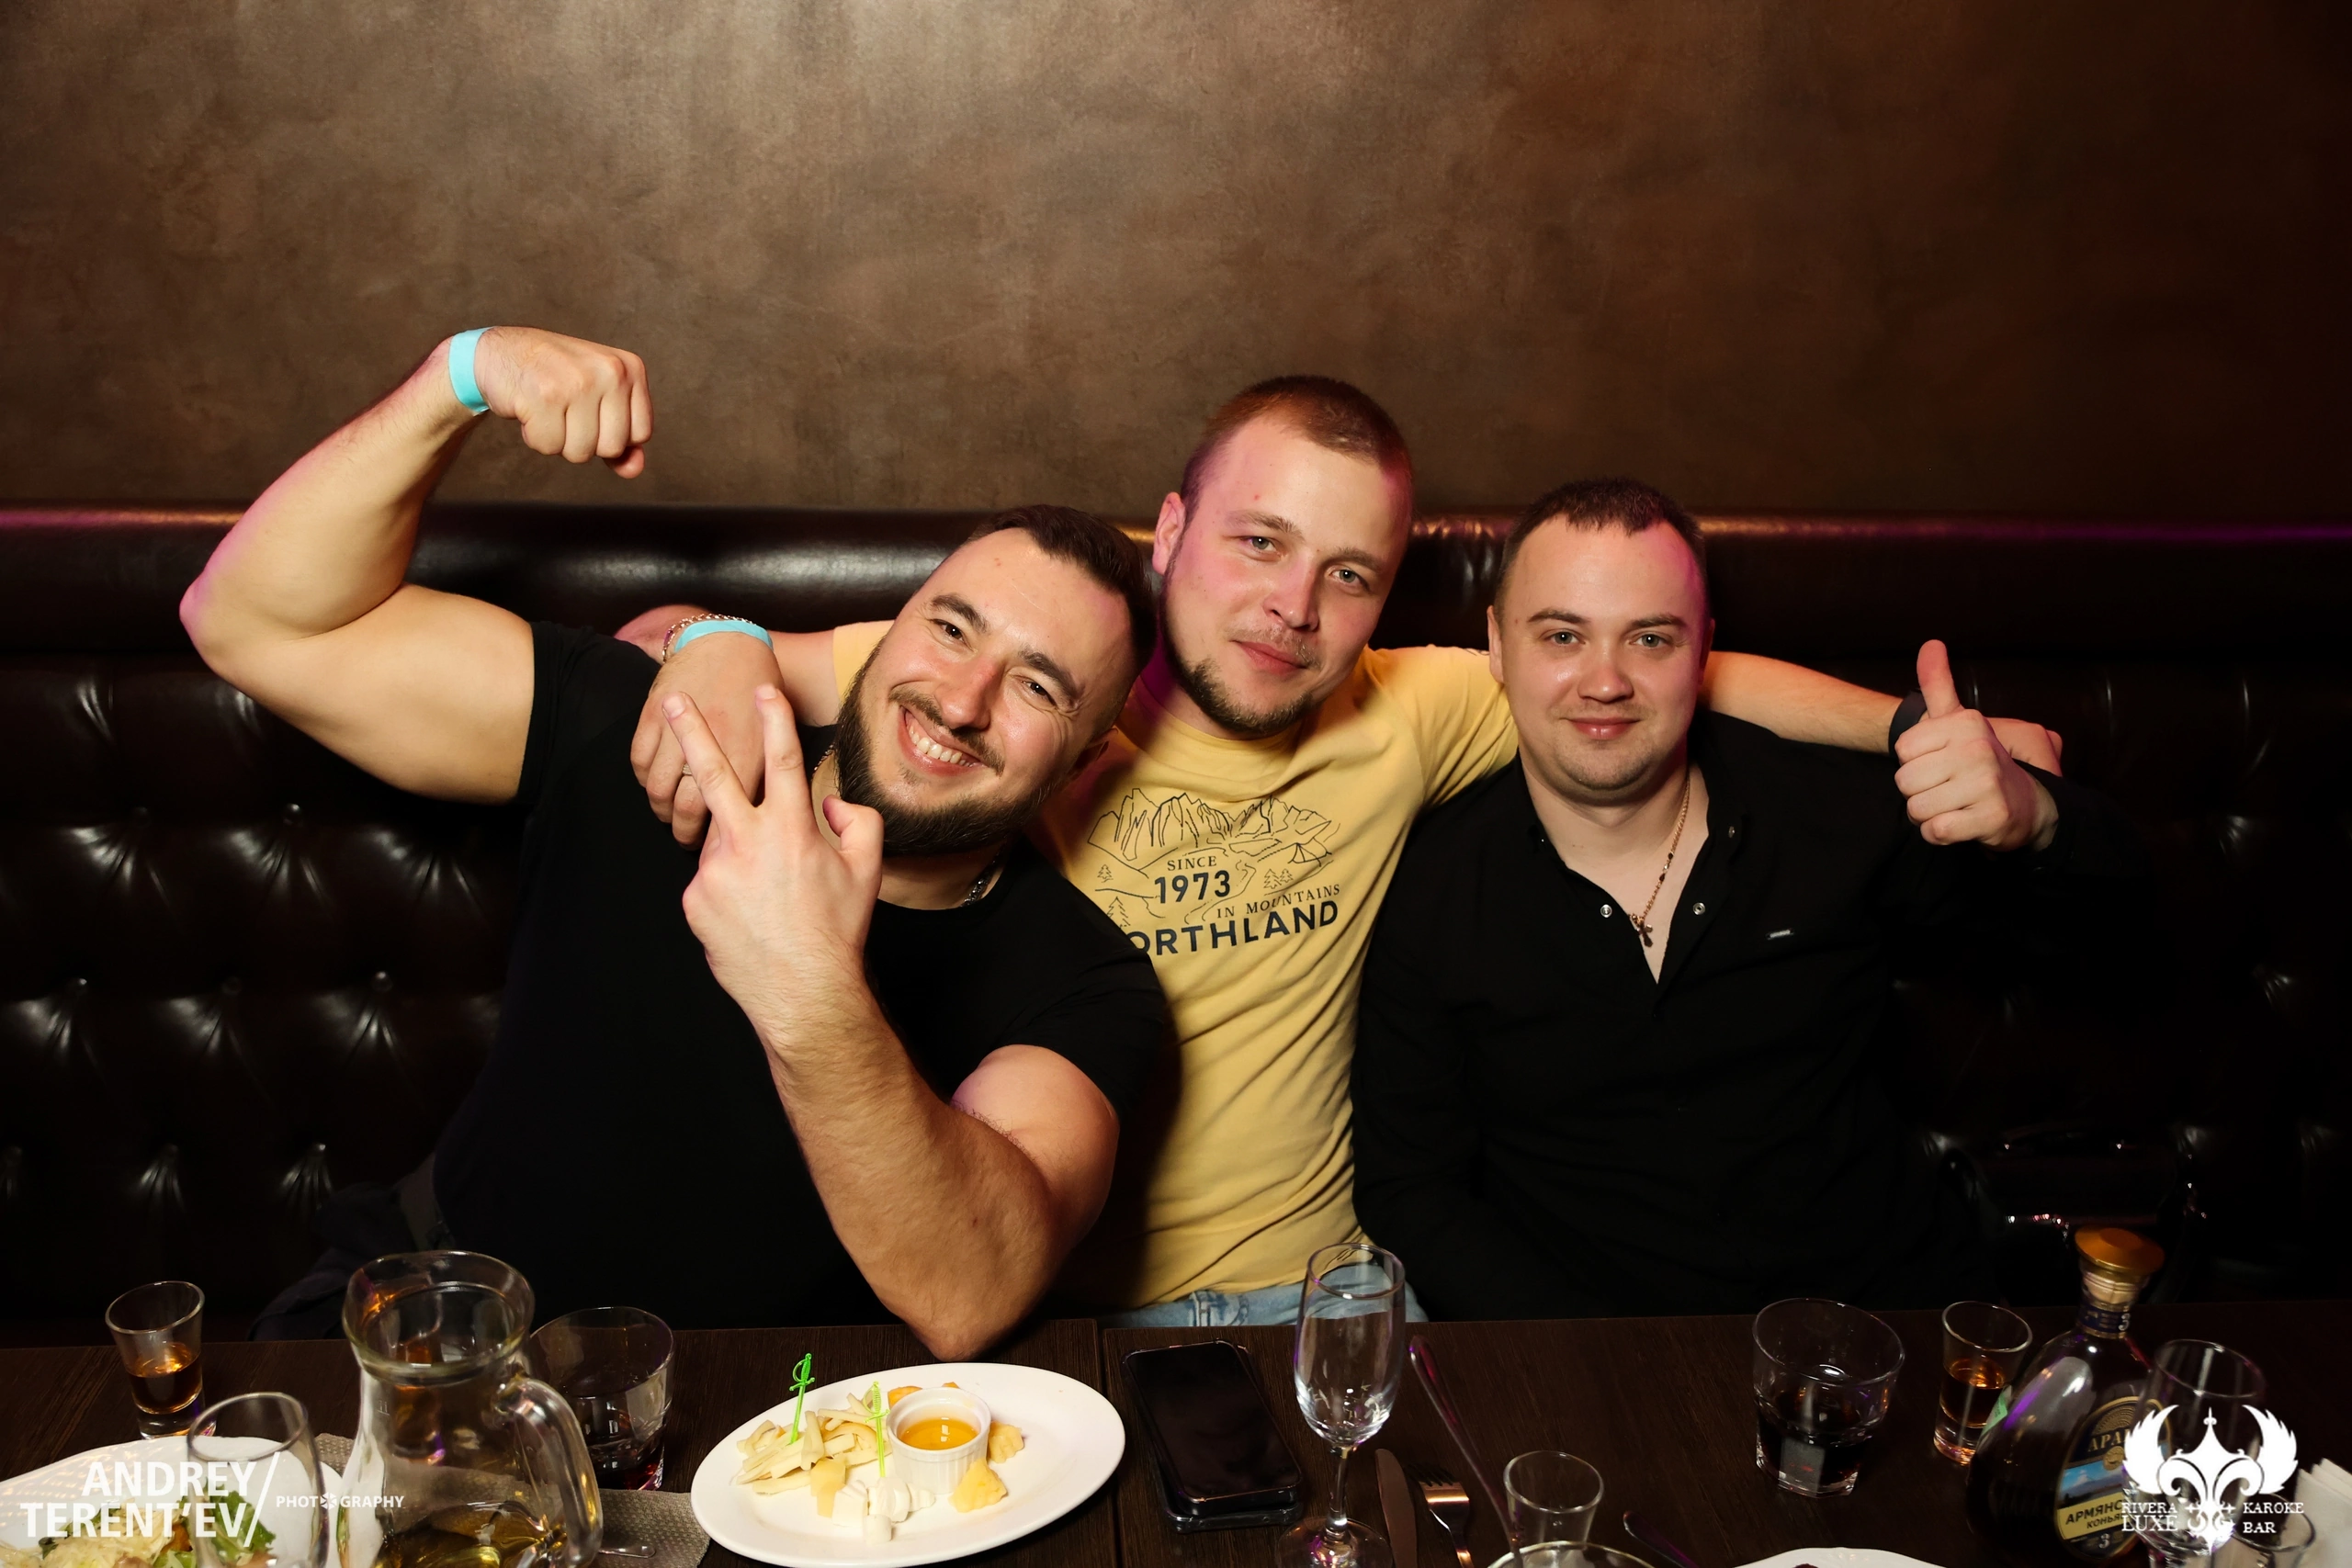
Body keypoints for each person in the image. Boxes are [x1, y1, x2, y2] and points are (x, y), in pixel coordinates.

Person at [623, 378, 2066, 1325]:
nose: (1292, 608)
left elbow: (1677, 670)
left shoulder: (1413, 707)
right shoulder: (1030, 689)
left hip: (1340, 1296)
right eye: (1258, 543)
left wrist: (1927, 734)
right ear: (1169, 531)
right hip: (1052, 1295)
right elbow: (713, 648)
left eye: (1349, 573)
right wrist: (711, 636)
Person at [180, 326, 1169, 1353]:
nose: (962, 700)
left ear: (1085, 759)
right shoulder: (667, 729)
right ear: (886, 635)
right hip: (442, 1329)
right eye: (950, 630)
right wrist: (457, 376)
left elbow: (973, 1289)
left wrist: (808, 983)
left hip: (755, 1415)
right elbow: (252, 623)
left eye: (1037, 687)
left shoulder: (1085, 983)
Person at [1350, 479, 2146, 1318]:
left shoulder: (1830, 810)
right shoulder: (1435, 886)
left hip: (1875, 1322)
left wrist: (2039, 819)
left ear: (1703, 653)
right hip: (1593, 1346)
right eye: (1562, 635)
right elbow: (1412, 1189)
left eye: (1649, 638)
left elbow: (2119, 938)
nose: (1605, 681)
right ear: (1497, 647)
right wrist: (1587, 1354)